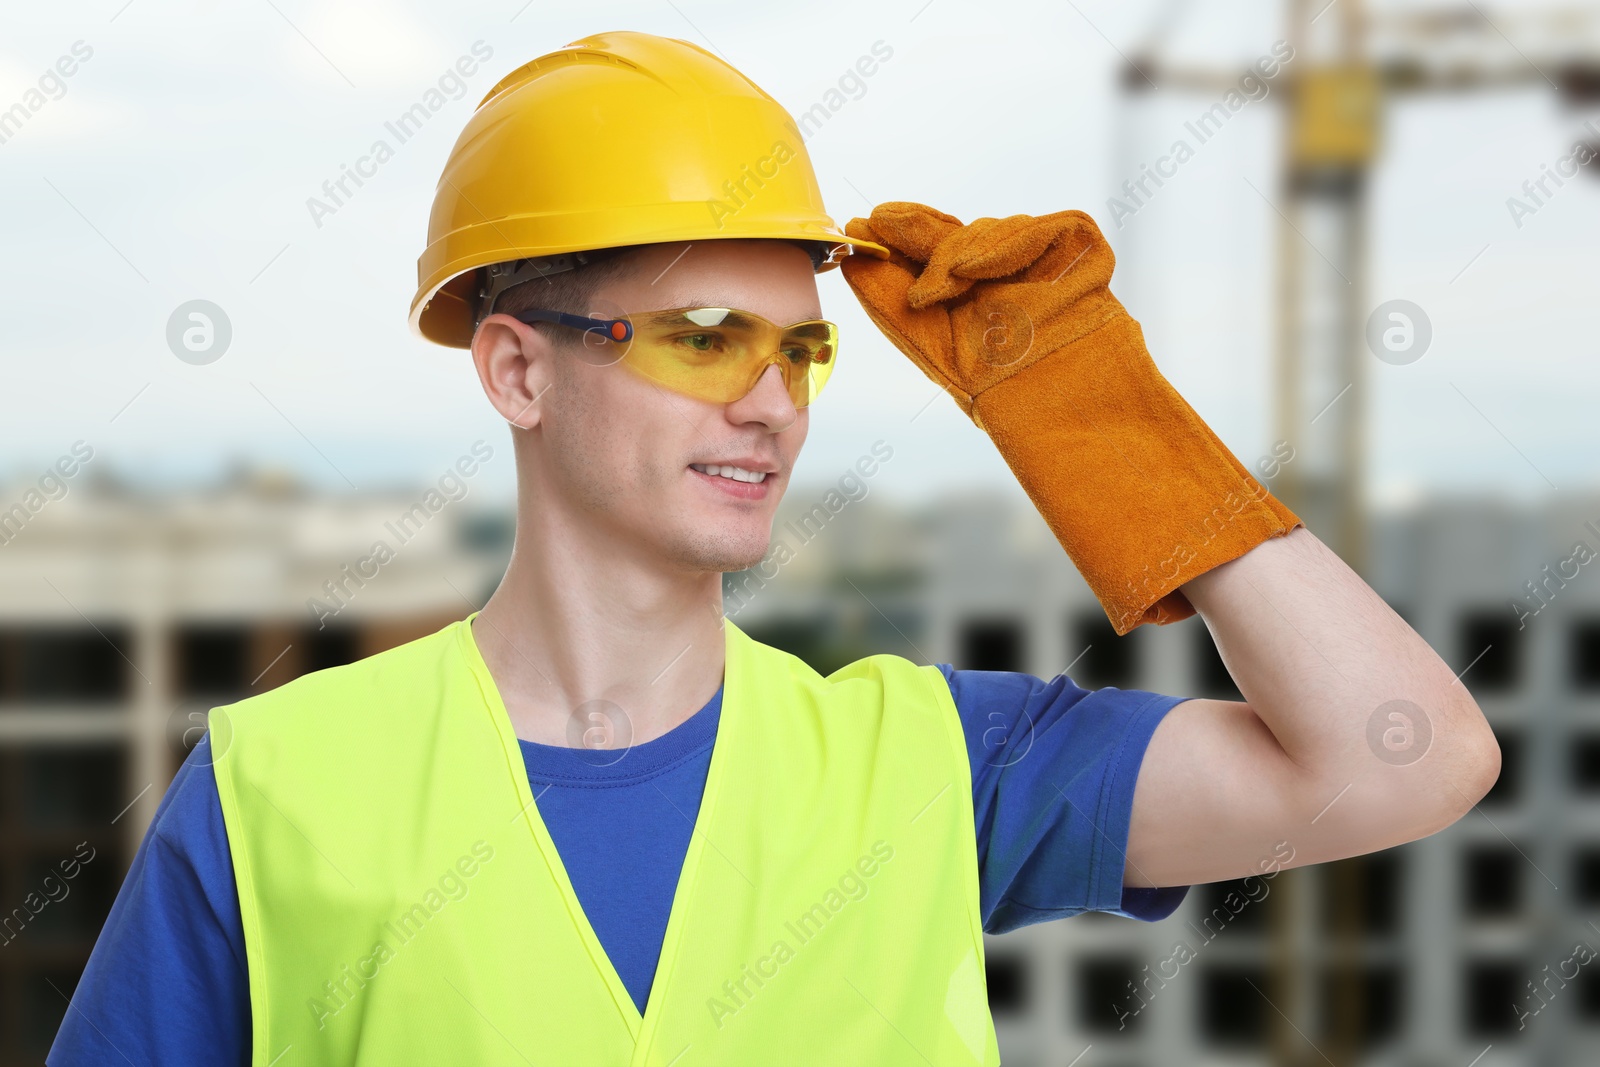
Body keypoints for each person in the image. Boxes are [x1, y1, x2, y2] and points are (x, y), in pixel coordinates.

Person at [49, 30, 1499, 1066]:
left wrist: (1091, 411)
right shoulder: (272, 794)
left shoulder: (938, 766)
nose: (770, 402)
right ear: (516, 372)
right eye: (702, 340)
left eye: (801, 350)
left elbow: (1408, 755)